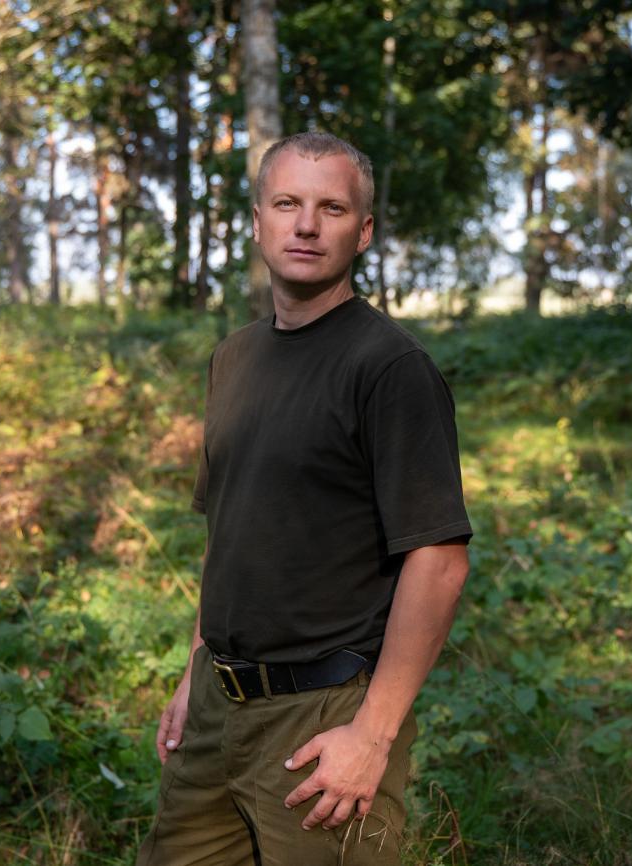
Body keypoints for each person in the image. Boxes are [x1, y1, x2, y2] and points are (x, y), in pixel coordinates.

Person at [136, 131, 472, 866]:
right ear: (257, 220)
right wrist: (197, 672)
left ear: (364, 232)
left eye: (332, 208)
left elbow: (439, 562)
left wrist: (372, 736)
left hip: (325, 717)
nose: (307, 224)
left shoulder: (389, 367)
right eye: (288, 203)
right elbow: (231, 535)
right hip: (218, 707)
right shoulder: (235, 359)